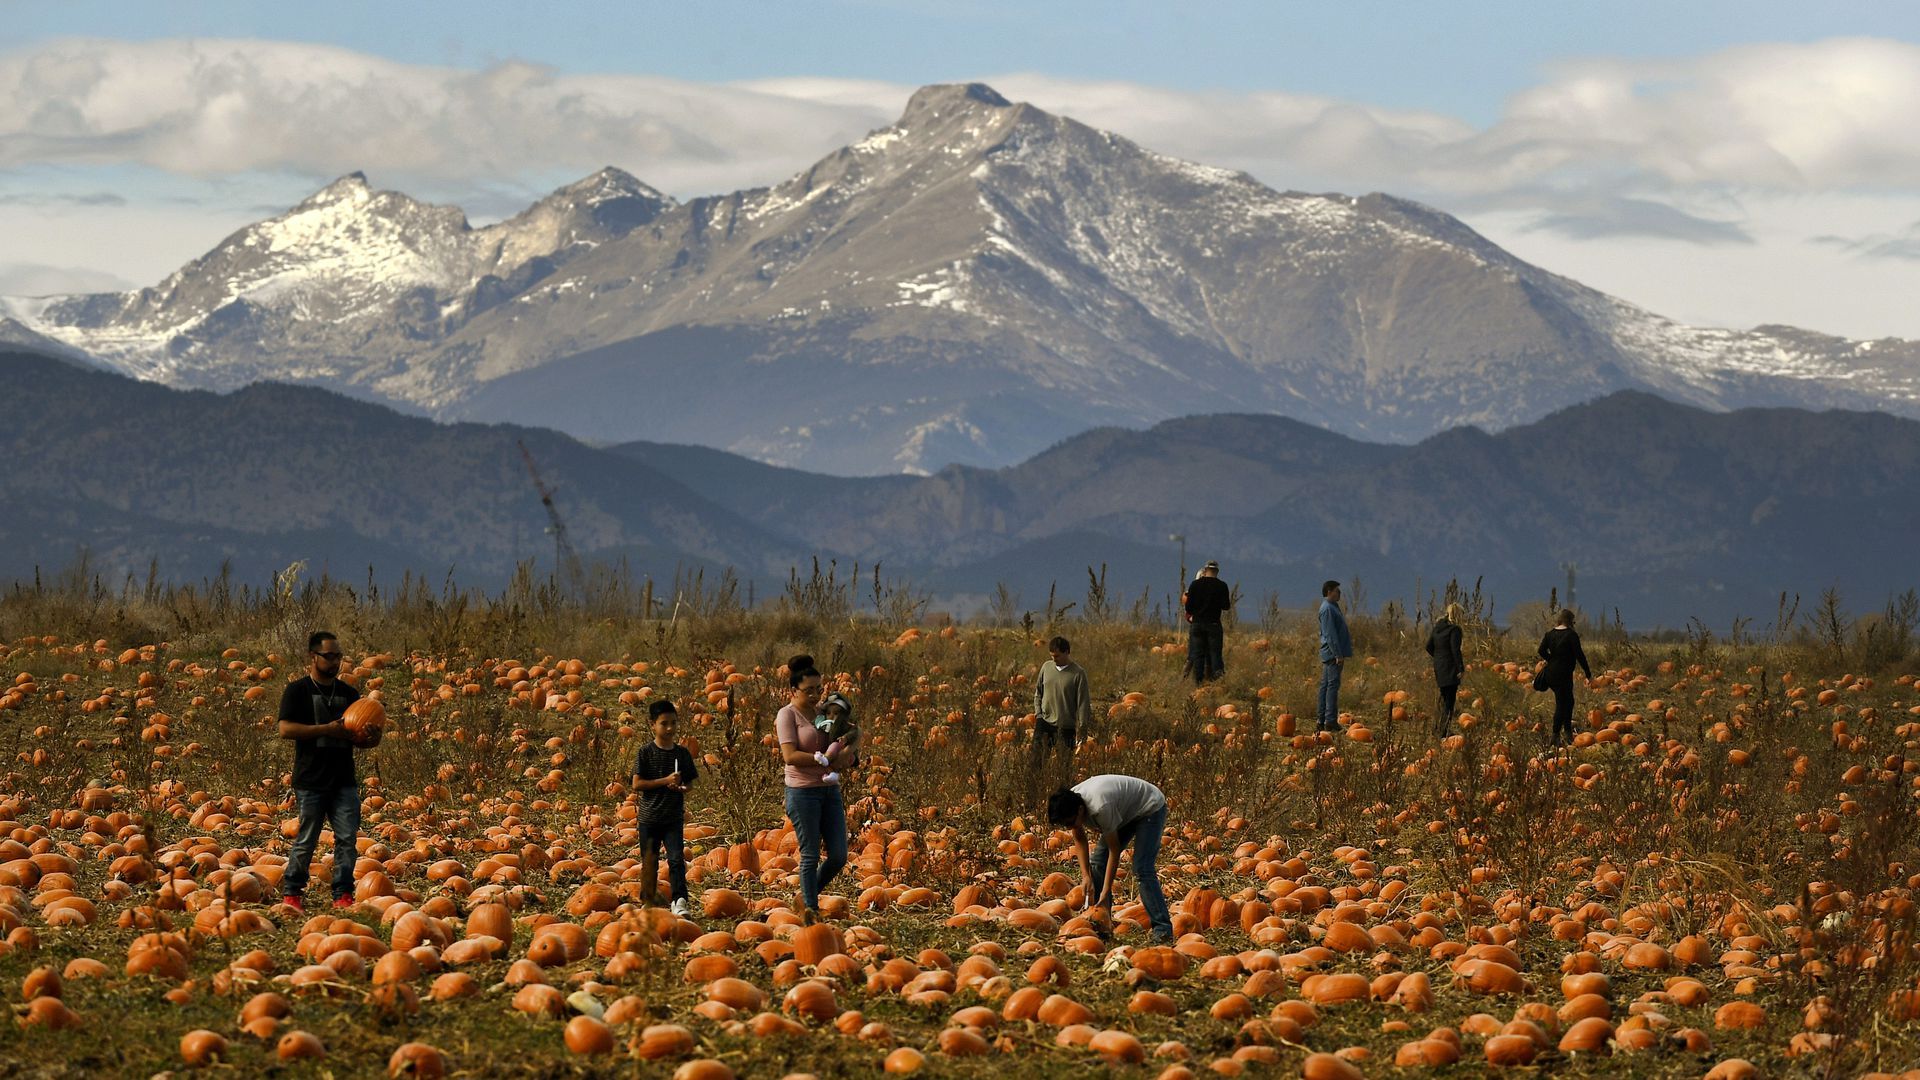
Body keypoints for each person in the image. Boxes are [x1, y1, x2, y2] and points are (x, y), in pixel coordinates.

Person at [276, 630, 378, 911]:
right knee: (307, 838)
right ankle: (292, 893)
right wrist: (327, 729)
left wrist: (371, 738)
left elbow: (360, 740)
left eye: (338, 656)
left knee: (347, 839)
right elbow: (285, 729)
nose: (334, 662)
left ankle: (343, 895)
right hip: (311, 779)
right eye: (328, 656)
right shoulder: (297, 691)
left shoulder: (349, 693)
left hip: (344, 780)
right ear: (313, 656)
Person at [776, 654, 857, 922]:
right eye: (808, 690)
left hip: (829, 790)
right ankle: (810, 909)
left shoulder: (826, 712)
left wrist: (850, 753)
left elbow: (849, 736)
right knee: (810, 853)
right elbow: (789, 756)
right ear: (793, 691)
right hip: (802, 792)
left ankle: (805, 897)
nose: (814, 695)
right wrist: (820, 759)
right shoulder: (787, 715)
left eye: (818, 689)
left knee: (838, 856)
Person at [1047, 775, 1174, 943]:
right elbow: (1079, 839)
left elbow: (1114, 850)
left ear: (1079, 810)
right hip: (1125, 812)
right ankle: (1101, 921)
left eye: (1071, 822)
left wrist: (1107, 889)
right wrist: (1086, 876)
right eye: (1066, 825)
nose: (1070, 827)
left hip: (1149, 807)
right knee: (1098, 862)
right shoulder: (1069, 801)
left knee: (1142, 868)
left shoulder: (1101, 807)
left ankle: (1162, 929)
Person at [630, 700, 699, 916]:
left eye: (673, 723)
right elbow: (637, 784)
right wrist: (664, 780)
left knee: (676, 859)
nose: (670, 728)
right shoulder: (645, 753)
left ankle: (679, 901)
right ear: (653, 725)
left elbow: (690, 785)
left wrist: (681, 787)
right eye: (664, 724)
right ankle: (648, 900)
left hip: (672, 817)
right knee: (649, 861)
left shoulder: (682, 754)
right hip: (649, 818)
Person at [1033, 636, 1090, 786]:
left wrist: (1082, 729)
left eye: (1057, 656)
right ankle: (1032, 799)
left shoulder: (1078, 673)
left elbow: (1083, 703)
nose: (1054, 659)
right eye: (1052, 656)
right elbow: (1038, 691)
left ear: (1067, 652)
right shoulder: (1046, 667)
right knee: (1036, 764)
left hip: (1066, 728)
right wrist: (1038, 714)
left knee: (1064, 768)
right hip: (1044, 723)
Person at [1537, 609, 1592, 747]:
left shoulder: (1549, 634)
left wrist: (1552, 659)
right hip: (1563, 674)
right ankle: (1555, 736)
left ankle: (1567, 732)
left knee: (1569, 701)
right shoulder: (1571, 635)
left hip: (1551, 673)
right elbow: (1579, 655)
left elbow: (1541, 650)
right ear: (1570, 621)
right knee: (1562, 703)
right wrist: (1588, 672)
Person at [1183, 561, 1232, 685]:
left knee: (1197, 654)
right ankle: (1218, 682)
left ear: (1205, 570)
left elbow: (1188, 607)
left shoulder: (1195, 584)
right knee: (1215, 654)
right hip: (1213, 624)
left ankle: (1198, 683)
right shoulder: (1222, 586)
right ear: (1217, 572)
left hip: (1197, 624)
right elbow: (1226, 606)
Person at [1316, 581, 1353, 732]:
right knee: (1332, 686)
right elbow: (1330, 634)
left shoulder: (1333, 607)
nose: (1339, 593)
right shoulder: (1327, 609)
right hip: (1332, 654)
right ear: (1329, 591)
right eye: (1337, 591)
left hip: (1333, 653)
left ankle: (1322, 720)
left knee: (1326, 686)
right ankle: (1329, 721)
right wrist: (1338, 654)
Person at [1425, 603, 1466, 735]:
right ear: (1459, 615)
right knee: (1449, 701)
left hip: (1439, 666)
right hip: (1450, 668)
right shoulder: (1455, 630)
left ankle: (1436, 728)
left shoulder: (1438, 627)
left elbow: (1428, 646)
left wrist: (1438, 658)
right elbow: (1455, 650)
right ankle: (1444, 731)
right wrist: (1460, 668)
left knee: (1442, 698)